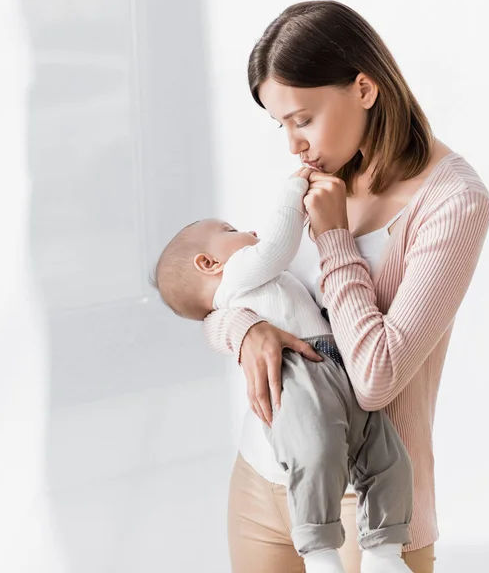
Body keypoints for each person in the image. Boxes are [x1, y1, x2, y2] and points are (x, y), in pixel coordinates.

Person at [203, 0, 489, 573]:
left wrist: (334, 237)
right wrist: (245, 330)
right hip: (261, 479)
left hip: (372, 505)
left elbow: (377, 377)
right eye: (280, 124)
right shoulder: (320, 175)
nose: (293, 145)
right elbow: (229, 293)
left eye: (302, 119)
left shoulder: (454, 202)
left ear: (364, 88)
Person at [152, 167, 414, 573]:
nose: (249, 230)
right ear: (208, 262)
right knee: (316, 449)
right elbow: (276, 246)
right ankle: (321, 551)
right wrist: (292, 191)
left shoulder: (258, 284)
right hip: (298, 375)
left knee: (387, 457)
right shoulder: (240, 275)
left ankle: (382, 552)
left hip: (338, 369)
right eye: (230, 229)